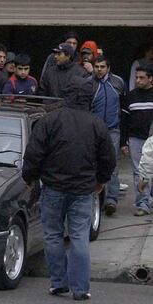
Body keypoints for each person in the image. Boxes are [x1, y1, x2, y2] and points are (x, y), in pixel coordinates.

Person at [22, 77, 115, 301]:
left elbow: (34, 153)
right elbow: (108, 159)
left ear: (65, 95)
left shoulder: (49, 120)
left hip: (53, 186)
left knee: (52, 235)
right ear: (88, 98)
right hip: (83, 188)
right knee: (79, 236)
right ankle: (81, 288)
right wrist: (101, 180)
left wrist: (29, 177)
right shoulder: (96, 124)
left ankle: (58, 283)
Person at [89, 55, 126, 216]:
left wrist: (124, 136)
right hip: (93, 131)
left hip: (113, 130)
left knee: (113, 165)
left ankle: (111, 200)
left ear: (108, 68)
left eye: (102, 67)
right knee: (93, 164)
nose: (99, 69)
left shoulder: (118, 82)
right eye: (96, 66)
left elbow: (123, 107)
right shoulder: (88, 83)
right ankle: (96, 198)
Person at [121, 65, 153, 216]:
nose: (138, 80)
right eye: (137, 77)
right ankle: (143, 203)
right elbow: (124, 120)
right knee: (138, 172)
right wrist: (123, 142)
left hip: (151, 139)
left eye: (142, 78)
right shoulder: (131, 96)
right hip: (135, 139)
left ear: (150, 79)